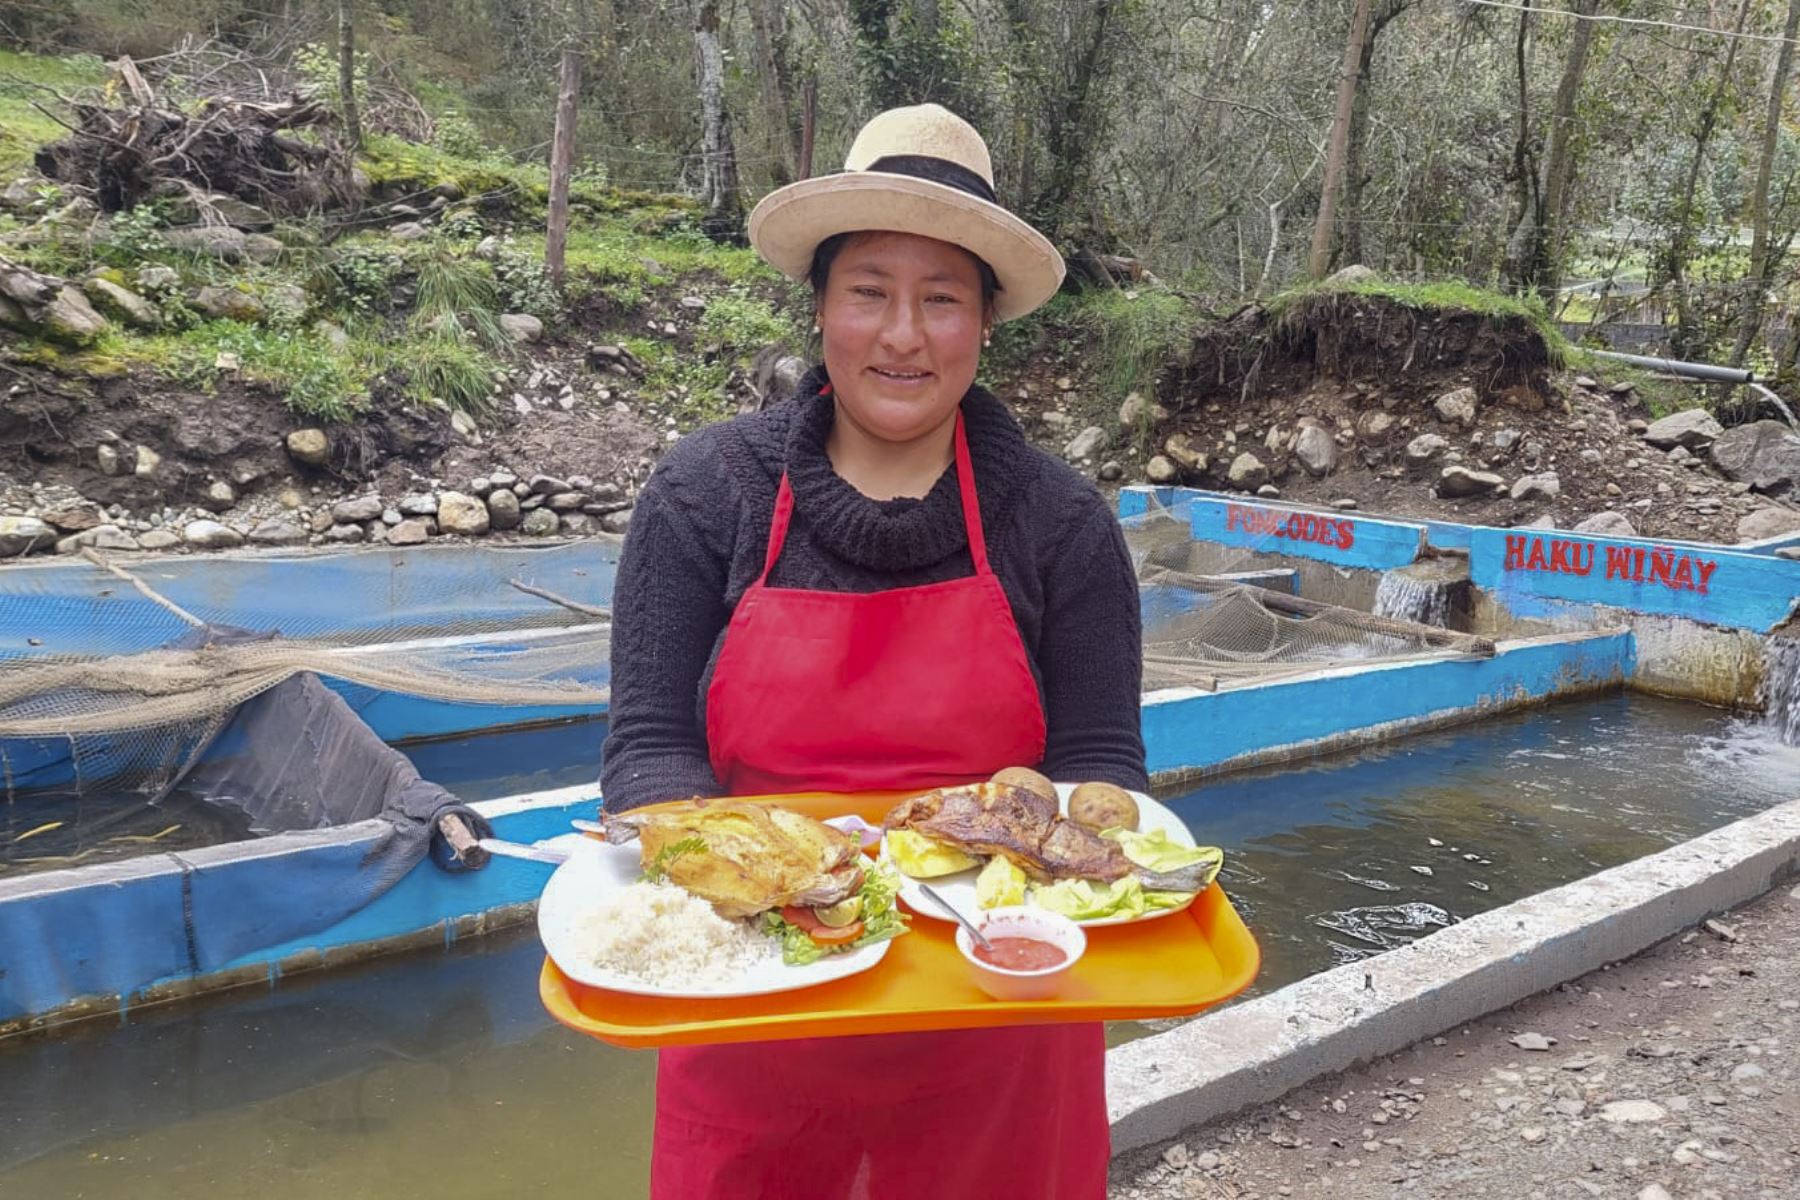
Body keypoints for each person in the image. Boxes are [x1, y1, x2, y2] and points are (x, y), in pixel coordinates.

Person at [600, 103, 1147, 1200]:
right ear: (819, 309)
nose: (904, 335)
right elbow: (650, 750)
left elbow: (1104, 777)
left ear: (986, 323)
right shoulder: (706, 492)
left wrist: (1053, 902)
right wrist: (748, 892)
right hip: (755, 996)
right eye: (869, 293)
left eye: (941, 299)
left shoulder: (1061, 523)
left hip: (999, 1012)